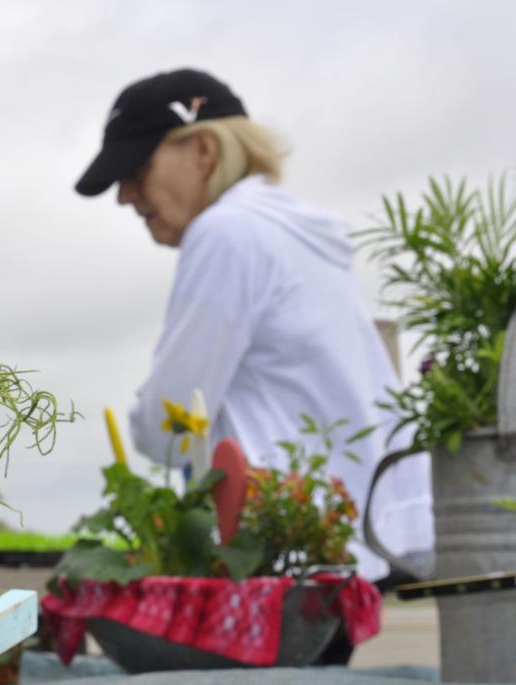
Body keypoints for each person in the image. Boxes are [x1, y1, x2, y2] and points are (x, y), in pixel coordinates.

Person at [75, 68, 432, 585]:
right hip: (360, 537)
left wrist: (147, 425)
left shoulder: (227, 233)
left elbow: (171, 426)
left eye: (137, 168)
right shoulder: (302, 236)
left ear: (203, 150)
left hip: (284, 559)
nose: (125, 196)